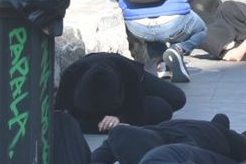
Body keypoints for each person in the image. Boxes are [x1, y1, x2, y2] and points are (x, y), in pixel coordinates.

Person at [90, 112, 246, 164]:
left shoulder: (179, 150)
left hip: (213, 138)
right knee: (218, 127)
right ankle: (219, 121)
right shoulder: (118, 138)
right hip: (180, 126)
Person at [55, 52, 186, 134]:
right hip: (94, 111)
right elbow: (62, 119)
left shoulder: (127, 72)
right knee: (162, 109)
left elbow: (135, 107)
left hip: (126, 83)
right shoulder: (70, 78)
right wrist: (102, 126)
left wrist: (120, 117)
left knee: (176, 98)